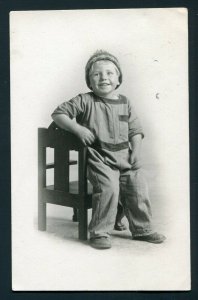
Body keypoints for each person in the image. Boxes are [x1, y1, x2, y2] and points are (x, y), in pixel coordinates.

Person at [51, 50, 166, 249]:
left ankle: (142, 229)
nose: (103, 77)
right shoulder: (85, 100)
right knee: (108, 189)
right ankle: (100, 232)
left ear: (119, 78)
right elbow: (58, 113)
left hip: (125, 157)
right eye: (97, 74)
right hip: (99, 159)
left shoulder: (125, 102)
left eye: (109, 73)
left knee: (138, 188)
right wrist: (78, 128)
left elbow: (135, 130)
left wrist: (136, 152)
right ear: (89, 80)